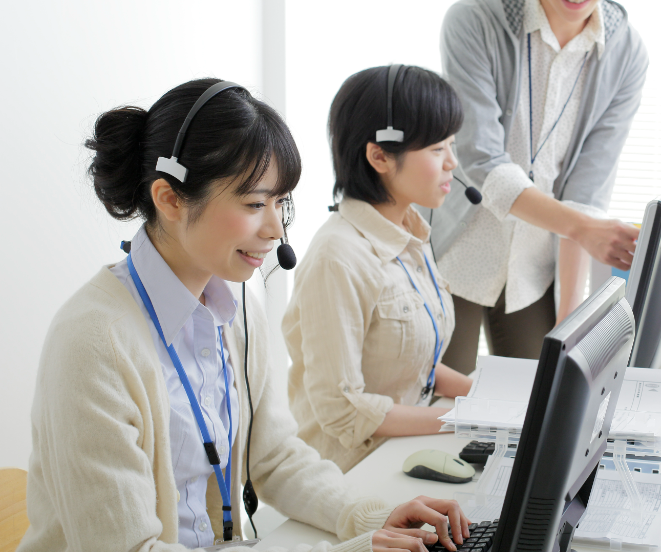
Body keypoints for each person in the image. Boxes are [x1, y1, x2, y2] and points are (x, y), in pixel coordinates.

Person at [18, 78, 469, 552]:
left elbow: (273, 457)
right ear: (169, 198)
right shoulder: (92, 342)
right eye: (255, 204)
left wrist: (368, 516)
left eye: (280, 203)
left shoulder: (235, 309)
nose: (276, 229)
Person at [432, 0, 649, 374]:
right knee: (442, 414)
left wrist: (572, 323)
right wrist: (585, 227)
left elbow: (586, 190)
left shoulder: (626, 53)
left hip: (536, 264)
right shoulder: (475, 21)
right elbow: (481, 159)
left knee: (539, 404)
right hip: (455, 252)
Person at [283, 66, 474, 474]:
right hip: (352, 472)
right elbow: (343, 410)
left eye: (451, 145)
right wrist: (465, 421)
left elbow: (409, 361)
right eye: (437, 149)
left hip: (404, 450)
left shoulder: (409, 235)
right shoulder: (338, 258)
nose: (452, 164)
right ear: (380, 156)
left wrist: (490, 401)